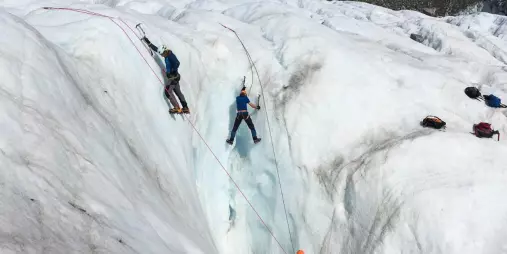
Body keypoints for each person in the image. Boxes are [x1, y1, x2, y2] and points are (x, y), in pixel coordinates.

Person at [141, 36, 190, 114]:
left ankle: (177, 108)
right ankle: (185, 108)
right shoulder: (166, 53)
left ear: (165, 51)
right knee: (178, 92)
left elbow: (177, 63)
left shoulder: (170, 56)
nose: (162, 55)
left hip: (174, 78)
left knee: (168, 92)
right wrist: (149, 43)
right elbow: (157, 49)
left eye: (163, 54)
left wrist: (172, 72)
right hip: (176, 77)